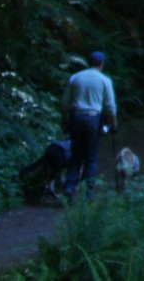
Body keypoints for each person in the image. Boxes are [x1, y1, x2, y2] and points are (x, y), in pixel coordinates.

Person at [61, 50, 117, 198]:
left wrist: (64, 119)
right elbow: (110, 106)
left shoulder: (75, 78)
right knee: (91, 156)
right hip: (93, 119)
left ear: (88, 62)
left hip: (76, 117)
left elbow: (65, 102)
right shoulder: (105, 80)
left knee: (76, 154)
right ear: (102, 64)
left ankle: (70, 187)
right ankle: (88, 192)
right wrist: (114, 123)